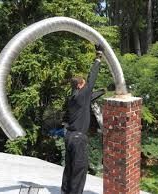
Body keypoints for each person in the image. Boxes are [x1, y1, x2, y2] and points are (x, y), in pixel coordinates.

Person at [61, 46, 104, 194]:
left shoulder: (73, 97)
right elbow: (92, 77)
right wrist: (98, 57)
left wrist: (99, 92)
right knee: (79, 169)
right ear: (80, 85)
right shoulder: (82, 94)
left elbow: (87, 99)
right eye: (84, 84)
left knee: (70, 167)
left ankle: (65, 191)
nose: (87, 85)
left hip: (69, 137)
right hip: (78, 138)